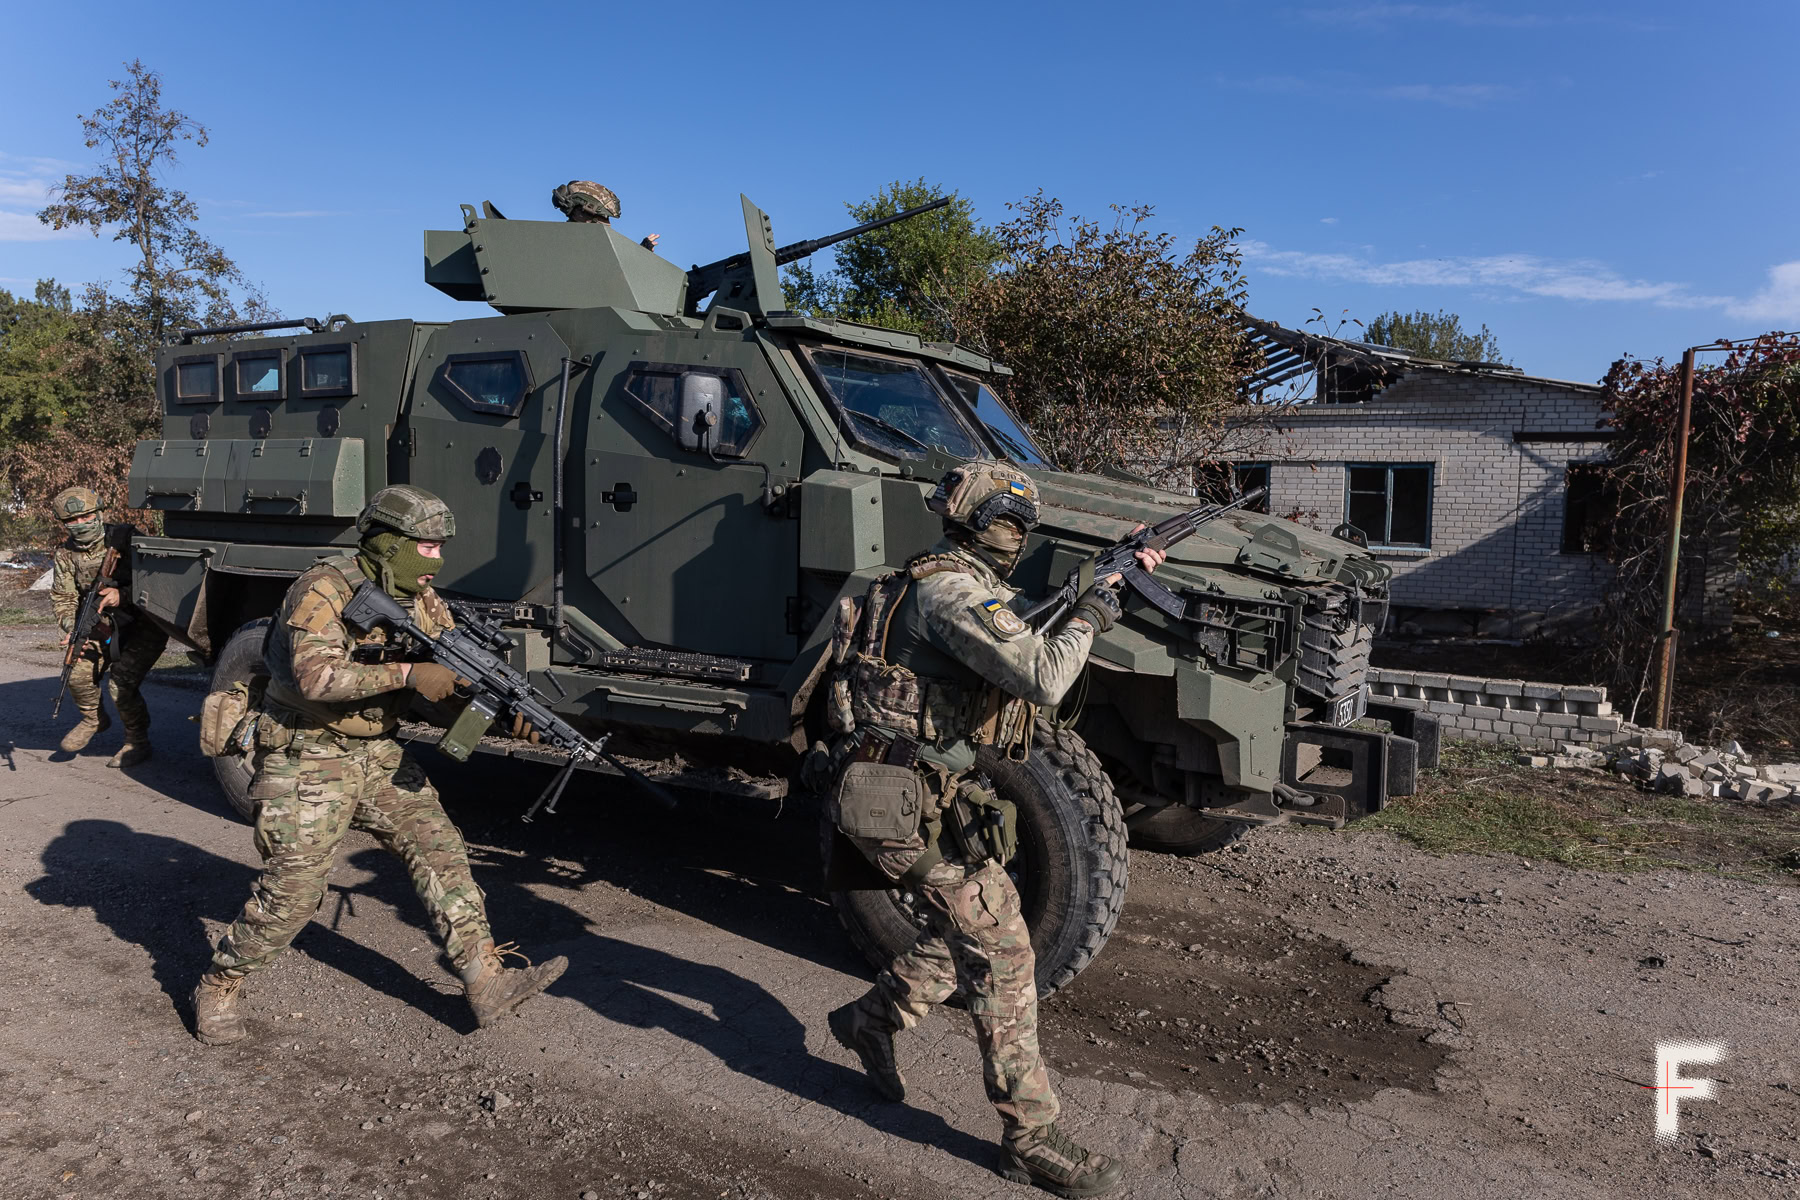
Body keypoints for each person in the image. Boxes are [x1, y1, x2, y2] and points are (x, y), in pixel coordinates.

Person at [822, 461, 1164, 1198]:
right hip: (897, 798)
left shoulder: (939, 578)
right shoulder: (948, 591)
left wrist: (1110, 570)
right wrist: (1096, 615)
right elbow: (1041, 673)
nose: (1017, 538)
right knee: (1005, 946)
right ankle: (1030, 1137)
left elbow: (1017, 620)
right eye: (1013, 524)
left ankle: (870, 1020)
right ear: (986, 526)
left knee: (975, 922)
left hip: (918, 787)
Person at [191, 485, 567, 1046]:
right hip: (306, 751)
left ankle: (485, 979)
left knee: (438, 847)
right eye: (427, 547)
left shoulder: (422, 599)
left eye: (441, 548)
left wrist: (493, 708)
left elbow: (449, 669)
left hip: (376, 750)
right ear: (390, 543)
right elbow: (317, 678)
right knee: (295, 890)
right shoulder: (322, 589)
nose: (436, 559)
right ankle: (220, 983)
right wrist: (409, 677)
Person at [48, 486, 168, 768]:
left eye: (86, 516)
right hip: (101, 626)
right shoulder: (66, 556)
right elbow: (63, 598)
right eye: (71, 521)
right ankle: (94, 719)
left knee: (120, 684)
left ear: (99, 512)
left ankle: (136, 743)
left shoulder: (125, 538)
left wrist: (123, 595)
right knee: (76, 674)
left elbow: (159, 579)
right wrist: (72, 629)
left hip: (144, 625)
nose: (80, 524)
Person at [551, 179, 660, 250]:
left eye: (605, 217)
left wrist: (642, 251)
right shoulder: (558, 243)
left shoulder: (599, 246)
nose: (606, 223)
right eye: (598, 216)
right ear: (578, 212)